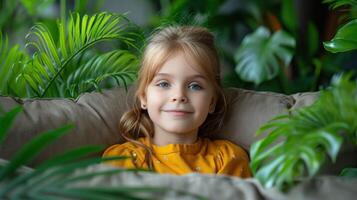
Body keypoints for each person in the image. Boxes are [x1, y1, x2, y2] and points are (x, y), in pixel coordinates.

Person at [103, 26, 251, 178]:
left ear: (212, 101)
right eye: (164, 84)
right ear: (143, 97)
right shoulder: (124, 159)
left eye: (195, 86)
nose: (179, 96)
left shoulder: (227, 158)